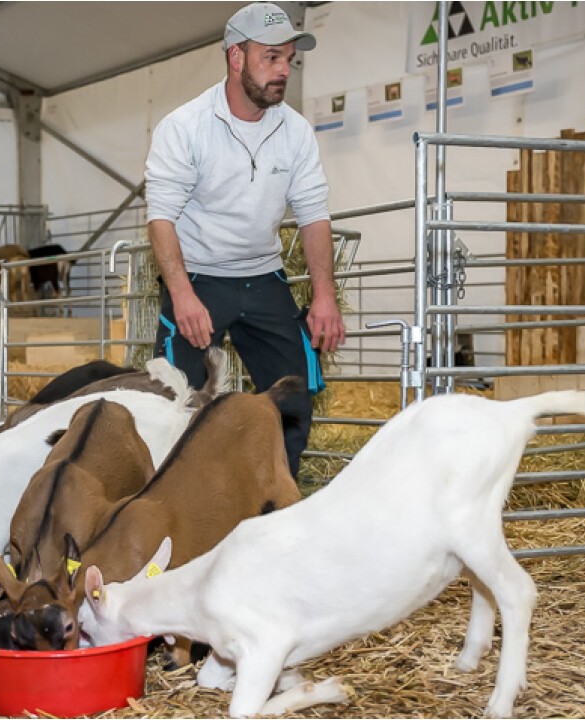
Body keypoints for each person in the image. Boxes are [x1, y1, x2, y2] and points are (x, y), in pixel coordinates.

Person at [147, 2, 347, 477]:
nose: (284, 72)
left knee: (294, 395)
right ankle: (179, 505)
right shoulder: (185, 127)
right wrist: (183, 297)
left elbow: (314, 215)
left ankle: (275, 504)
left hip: (263, 277)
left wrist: (324, 297)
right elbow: (161, 219)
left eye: (288, 61)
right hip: (198, 279)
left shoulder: (295, 131)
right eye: (272, 58)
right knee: (175, 403)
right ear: (236, 58)